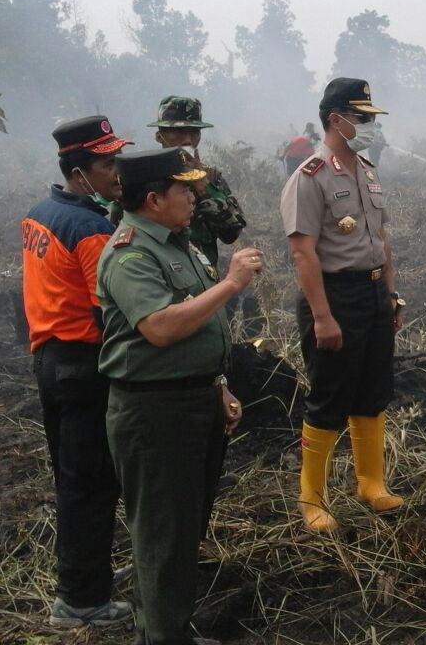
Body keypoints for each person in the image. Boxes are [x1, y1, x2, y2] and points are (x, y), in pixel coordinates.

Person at [97, 147, 263, 644]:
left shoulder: (177, 242)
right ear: (153, 198)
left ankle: (171, 631)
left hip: (193, 403)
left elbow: (198, 323)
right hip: (154, 413)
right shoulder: (131, 254)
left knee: (183, 529)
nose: (194, 197)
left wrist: (218, 385)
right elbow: (161, 328)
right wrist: (232, 282)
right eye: (184, 190)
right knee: (163, 537)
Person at [21, 116, 134, 628]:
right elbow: (106, 312)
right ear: (80, 170)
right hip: (84, 367)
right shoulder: (90, 228)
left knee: (72, 480)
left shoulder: (42, 212)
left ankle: (78, 582)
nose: (116, 171)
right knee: (91, 484)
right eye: (107, 163)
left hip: (50, 362)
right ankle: (82, 601)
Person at [280, 77, 404, 533]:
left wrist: (390, 292)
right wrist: (322, 316)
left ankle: (371, 481)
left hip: (372, 294)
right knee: (330, 395)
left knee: (373, 389)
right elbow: (302, 253)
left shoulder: (366, 170)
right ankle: (312, 497)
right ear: (336, 120)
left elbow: (382, 239)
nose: (369, 125)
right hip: (334, 296)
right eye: (362, 118)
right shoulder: (308, 178)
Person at [144, 95, 247, 267]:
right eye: (178, 132)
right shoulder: (143, 178)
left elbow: (231, 234)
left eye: (194, 132)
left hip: (204, 281)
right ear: (159, 136)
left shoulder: (211, 177)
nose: (187, 140)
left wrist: (203, 188)